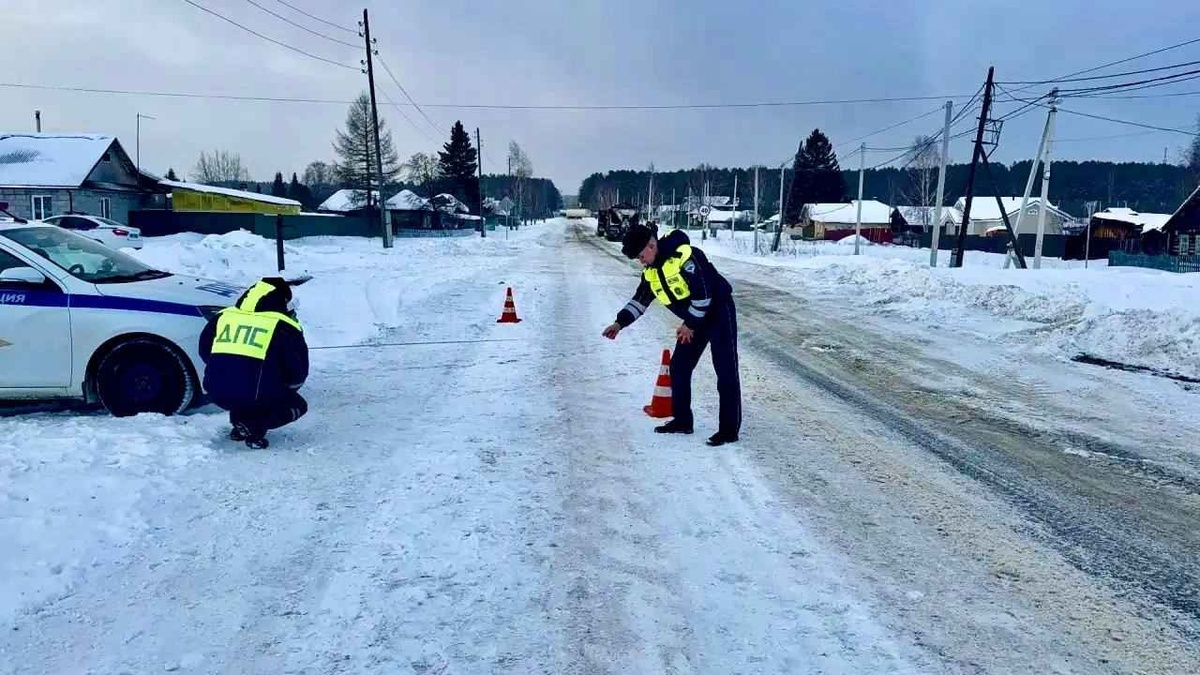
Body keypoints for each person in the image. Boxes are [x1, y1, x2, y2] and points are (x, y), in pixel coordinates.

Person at [603, 223, 742, 446]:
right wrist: (619, 323)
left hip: (718, 312)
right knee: (679, 367)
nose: (641, 261)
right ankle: (683, 421)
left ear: (651, 245)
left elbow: (704, 294)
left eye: (641, 255)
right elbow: (640, 301)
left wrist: (690, 324)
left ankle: (728, 430)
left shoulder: (685, 256)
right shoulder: (651, 272)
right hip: (693, 321)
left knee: (725, 370)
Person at [199, 277, 308, 449]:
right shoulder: (283, 325)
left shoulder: (224, 316)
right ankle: (253, 426)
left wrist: (224, 368)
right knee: (297, 405)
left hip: (215, 390)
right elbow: (298, 370)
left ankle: (241, 427)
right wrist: (288, 387)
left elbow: (204, 350)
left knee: (244, 390)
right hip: (255, 393)